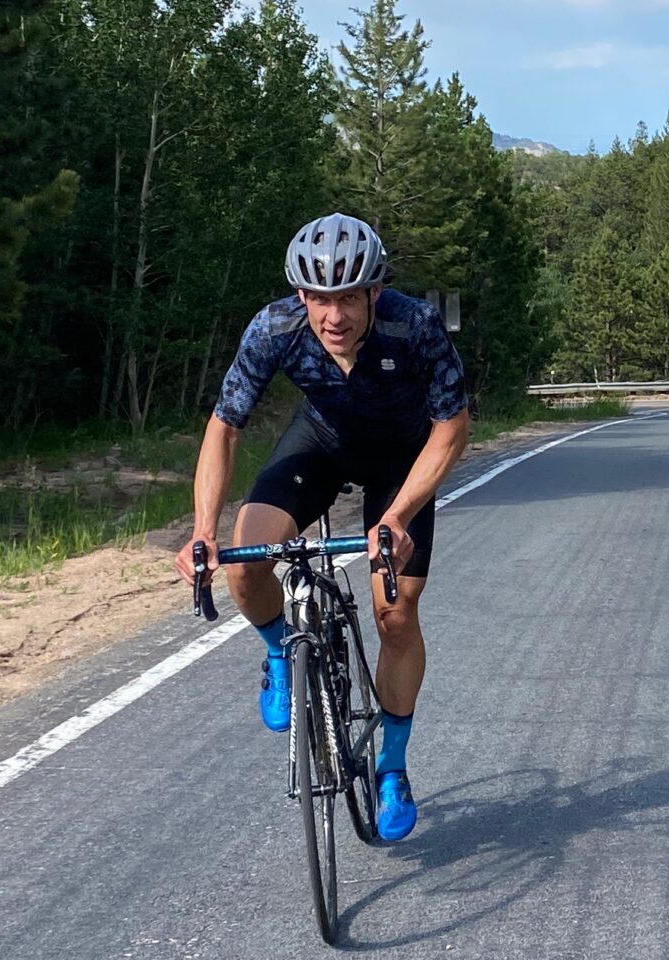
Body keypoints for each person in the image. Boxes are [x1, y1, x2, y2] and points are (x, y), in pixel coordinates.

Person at [174, 213, 469, 841]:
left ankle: (392, 767)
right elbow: (224, 426)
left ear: (374, 291)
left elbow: (453, 427)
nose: (334, 316)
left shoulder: (413, 325)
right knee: (246, 561)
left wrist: (395, 518)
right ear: (300, 296)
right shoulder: (274, 327)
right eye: (318, 299)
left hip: (402, 460)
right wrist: (204, 529)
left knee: (394, 612)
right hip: (323, 443)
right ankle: (282, 652)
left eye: (348, 298)